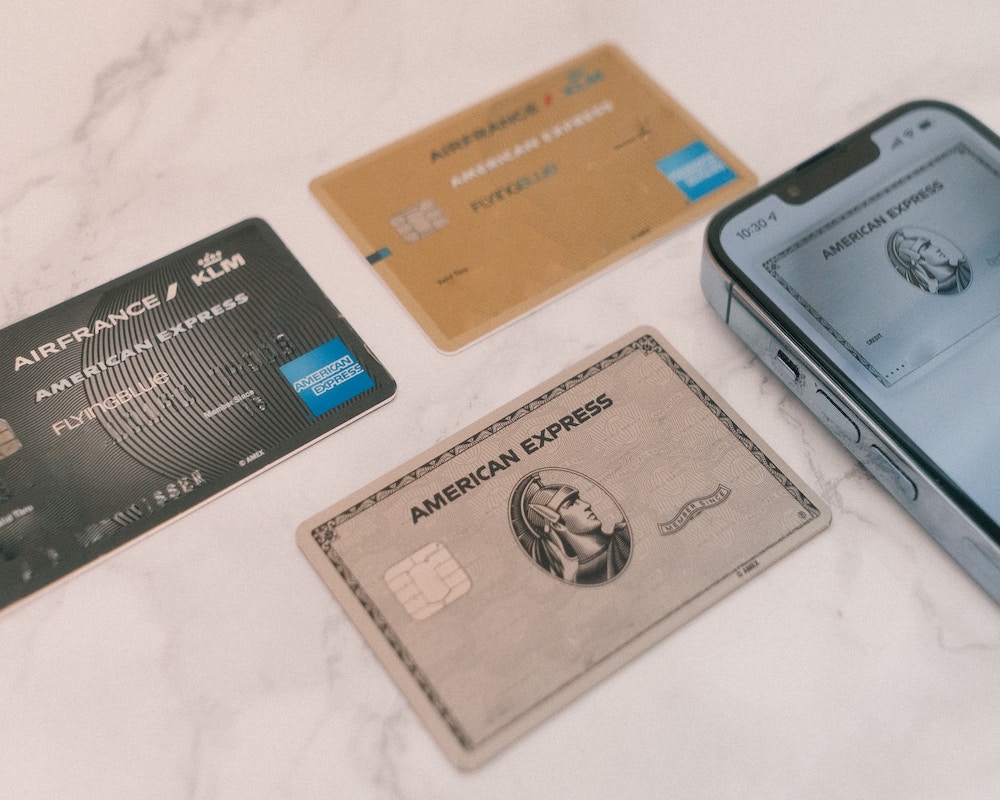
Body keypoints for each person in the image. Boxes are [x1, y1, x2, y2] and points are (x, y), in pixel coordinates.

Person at [514, 474, 631, 584]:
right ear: (557, 525)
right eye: (571, 504)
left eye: (579, 500)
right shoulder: (580, 580)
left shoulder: (625, 536)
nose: (586, 505)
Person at [887, 229, 971, 294]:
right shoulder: (939, 295)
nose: (936, 248)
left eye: (930, 244)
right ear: (917, 260)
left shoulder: (967, 267)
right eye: (925, 247)